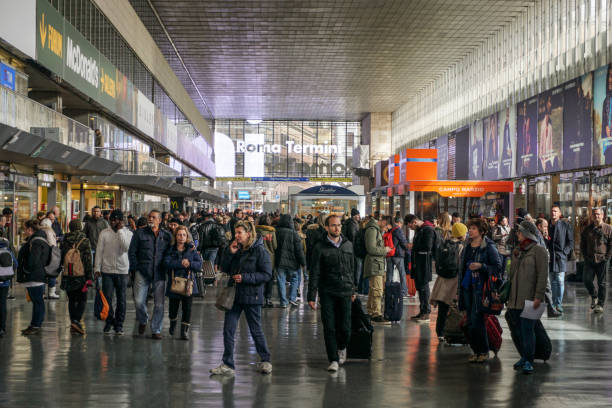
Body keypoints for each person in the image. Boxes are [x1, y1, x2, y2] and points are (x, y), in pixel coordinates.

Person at [210, 220, 273, 376]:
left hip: (252, 296)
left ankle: (266, 360)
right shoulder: (236, 249)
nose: (236, 236)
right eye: (235, 233)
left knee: (255, 329)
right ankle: (228, 364)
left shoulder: (260, 251)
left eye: (239, 233)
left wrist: (245, 278)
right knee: (228, 330)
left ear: (248, 234)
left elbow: (266, 274)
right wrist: (229, 253)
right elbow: (225, 268)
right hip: (235, 296)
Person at [308, 214, 356, 372]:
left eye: (339, 225)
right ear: (327, 227)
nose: (337, 228)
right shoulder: (319, 247)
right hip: (327, 290)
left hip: (345, 290)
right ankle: (333, 359)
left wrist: (353, 288)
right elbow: (314, 272)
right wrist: (312, 296)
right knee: (329, 326)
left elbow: (352, 268)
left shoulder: (348, 245)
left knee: (345, 327)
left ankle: (342, 346)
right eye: (334, 225)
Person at [507, 221, 548, 374]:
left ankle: (529, 360)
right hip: (516, 298)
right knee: (519, 330)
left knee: (528, 329)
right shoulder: (517, 251)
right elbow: (511, 275)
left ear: (527, 233)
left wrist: (538, 296)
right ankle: (524, 357)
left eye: (519, 232)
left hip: (533, 298)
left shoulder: (539, 251)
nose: (517, 234)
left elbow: (543, 276)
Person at [457, 218, 502, 363]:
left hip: (481, 289)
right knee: (470, 321)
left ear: (482, 231)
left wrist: (481, 266)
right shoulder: (467, 246)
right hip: (467, 287)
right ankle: (476, 351)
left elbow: (497, 266)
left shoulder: (488, 246)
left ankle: (483, 351)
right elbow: (462, 269)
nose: (470, 231)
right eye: (470, 228)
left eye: (474, 228)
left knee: (478, 321)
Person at [128, 210, 172, 339]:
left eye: (154, 217)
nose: (150, 219)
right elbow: (132, 252)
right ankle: (143, 319)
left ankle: (156, 329)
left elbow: (171, 252)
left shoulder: (166, 236)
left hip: (159, 273)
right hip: (142, 272)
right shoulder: (139, 233)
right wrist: (136, 267)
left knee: (159, 304)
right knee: (139, 301)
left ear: (159, 220)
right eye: (149, 217)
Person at [95, 209, 133, 335]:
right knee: (108, 298)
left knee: (122, 299)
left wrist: (121, 231)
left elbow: (125, 248)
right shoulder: (104, 233)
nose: (112, 222)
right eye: (111, 219)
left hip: (122, 271)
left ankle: (119, 324)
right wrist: (97, 268)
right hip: (107, 270)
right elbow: (99, 252)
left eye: (115, 220)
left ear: (121, 221)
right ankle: (109, 321)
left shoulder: (127, 233)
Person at [164, 225, 202, 340]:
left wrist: (189, 263)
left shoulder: (191, 249)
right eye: (179, 235)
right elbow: (166, 263)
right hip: (174, 283)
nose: (181, 237)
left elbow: (199, 264)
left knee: (187, 308)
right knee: (173, 308)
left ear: (187, 236)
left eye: (184, 235)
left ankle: (184, 332)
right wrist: (180, 263)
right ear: (176, 236)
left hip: (188, 284)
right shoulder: (170, 249)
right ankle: (173, 324)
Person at [431, 222, 466, 339]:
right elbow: (461, 266)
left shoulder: (444, 243)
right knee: (454, 308)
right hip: (454, 281)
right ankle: (454, 331)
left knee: (442, 309)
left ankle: (439, 332)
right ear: (461, 234)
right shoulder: (461, 247)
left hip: (442, 281)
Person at [16, 220, 50, 335]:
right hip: (37, 275)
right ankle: (35, 324)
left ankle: (36, 325)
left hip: (34, 276)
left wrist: (26, 270)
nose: (24, 232)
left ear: (30, 229)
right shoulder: (40, 239)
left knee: (38, 301)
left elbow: (33, 260)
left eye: (25, 229)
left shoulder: (35, 242)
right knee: (37, 301)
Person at [60, 219, 93, 335]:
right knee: (82, 299)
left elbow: (62, 256)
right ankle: (76, 321)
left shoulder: (64, 240)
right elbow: (88, 260)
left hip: (68, 274)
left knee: (72, 299)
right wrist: (90, 277)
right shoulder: (85, 240)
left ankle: (73, 321)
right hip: (81, 275)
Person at [580, 207, 612, 313]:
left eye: (598, 214)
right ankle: (594, 296)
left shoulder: (608, 229)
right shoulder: (587, 229)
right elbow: (583, 245)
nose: (596, 216)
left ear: (602, 215)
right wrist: (585, 256)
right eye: (594, 214)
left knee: (602, 283)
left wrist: (607, 257)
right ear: (592, 216)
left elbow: (611, 245)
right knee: (586, 279)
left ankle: (600, 305)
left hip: (603, 260)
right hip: (590, 259)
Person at [406, 214, 437, 323]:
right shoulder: (420, 230)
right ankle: (422, 311)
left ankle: (426, 312)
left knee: (424, 288)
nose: (410, 228)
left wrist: (413, 247)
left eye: (410, 226)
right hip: (418, 263)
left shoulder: (427, 229)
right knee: (420, 287)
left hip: (424, 263)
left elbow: (428, 246)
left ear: (414, 222)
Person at [363, 215, 391, 323]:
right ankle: (376, 314)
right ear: (383, 222)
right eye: (387, 227)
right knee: (377, 290)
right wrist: (385, 250)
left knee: (374, 289)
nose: (386, 229)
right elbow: (371, 248)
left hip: (377, 264)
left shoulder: (375, 230)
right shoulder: (372, 230)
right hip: (374, 264)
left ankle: (371, 311)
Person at [275, 214, 306, 308]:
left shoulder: (276, 232)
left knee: (281, 280)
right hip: (292, 261)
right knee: (294, 279)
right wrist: (303, 262)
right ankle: (292, 298)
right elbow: (299, 250)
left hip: (279, 260)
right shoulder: (294, 233)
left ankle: (283, 302)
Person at [547, 206, 573, 315]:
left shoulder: (565, 225)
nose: (553, 213)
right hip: (549, 257)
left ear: (559, 213)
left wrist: (564, 253)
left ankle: (558, 303)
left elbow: (570, 242)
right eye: (552, 211)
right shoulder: (547, 226)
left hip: (560, 257)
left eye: (555, 211)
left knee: (560, 280)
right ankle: (553, 303)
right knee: (552, 280)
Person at [256, 215, 277, 308]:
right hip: (270, 258)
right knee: (269, 279)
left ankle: (259, 298)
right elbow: (275, 246)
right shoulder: (272, 231)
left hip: (258, 257)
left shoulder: (256, 231)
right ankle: (268, 299)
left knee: (259, 278)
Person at [387, 216, 409, 297]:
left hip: (389, 254)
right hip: (397, 255)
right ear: (400, 223)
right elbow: (403, 242)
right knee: (402, 274)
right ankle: (404, 291)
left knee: (389, 274)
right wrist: (407, 250)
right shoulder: (398, 230)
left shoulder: (391, 230)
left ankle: (388, 290)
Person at [342, 209, 363, 294]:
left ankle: (353, 283)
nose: (359, 216)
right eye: (358, 215)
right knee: (357, 266)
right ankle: (356, 284)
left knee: (353, 266)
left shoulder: (351, 222)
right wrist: (357, 247)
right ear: (354, 216)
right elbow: (353, 237)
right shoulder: (352, 223)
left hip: (350, 248)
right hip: (353, 249)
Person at [0, 236, 17, 337]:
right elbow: (15, 265)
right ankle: (2, 328)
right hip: (5, 283)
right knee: (2, 305)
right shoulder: (9, 252)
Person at [40, 218, 59, 300]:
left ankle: (42, 293)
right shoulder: (49, 231)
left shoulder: (40, 231)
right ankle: (51, 292)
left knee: (43, 274)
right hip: (50, 255)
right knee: (51, 273)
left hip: (42, 255)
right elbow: (52, 244)